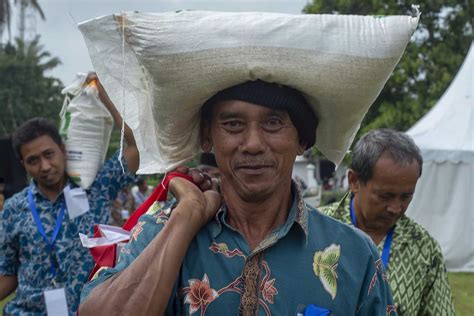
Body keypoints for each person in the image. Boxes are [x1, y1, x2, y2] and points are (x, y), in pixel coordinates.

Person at [79, 80, 395, 315]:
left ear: (302, 140)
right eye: (233, 124)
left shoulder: (354, 254)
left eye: (273, 123)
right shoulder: (161, 233)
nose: (254, 143)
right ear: (207, 137)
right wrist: (186, 217)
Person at [0, 73, 139, 315]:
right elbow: (9, 274)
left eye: (49, 154)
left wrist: (104, 93)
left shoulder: (96, 187)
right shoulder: (14, 208)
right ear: (23, 165)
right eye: (33, 161)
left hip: (87, 310)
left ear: (62, 150)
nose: (44, 166)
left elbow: (135, 147)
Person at [319, 129, 455, 315]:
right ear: (354, 181)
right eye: (385, 196)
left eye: (406, 196)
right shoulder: (314, 230)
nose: (396, 208)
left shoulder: (424, 249)